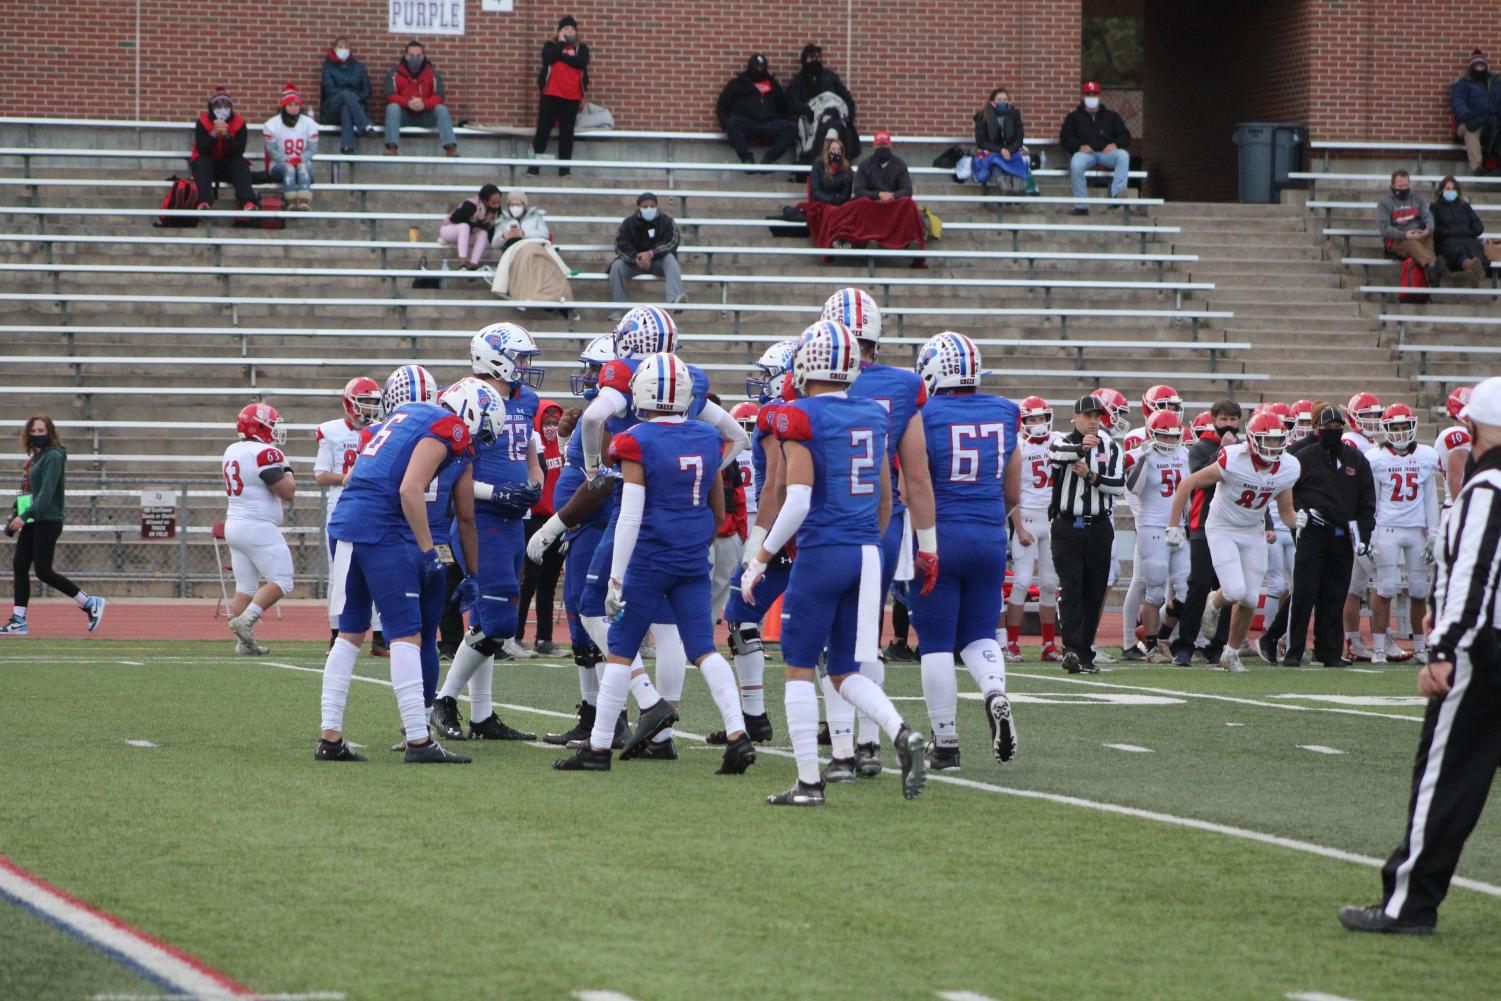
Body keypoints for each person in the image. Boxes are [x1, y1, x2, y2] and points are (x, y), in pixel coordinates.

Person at [740, 320, 929, 807]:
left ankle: (808, 783)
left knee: (800, 665)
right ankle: (901, 731)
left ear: (807, 364)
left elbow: (797, 499)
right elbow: (888, 497)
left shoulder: (799, 415)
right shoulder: (872, 412)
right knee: (846, 669)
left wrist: (760, 557)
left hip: (825, 549)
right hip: (869, 549)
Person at [1339, 375, 1501, 935]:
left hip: (1484, 650)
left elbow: (1476, 572)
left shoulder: (1488, 490)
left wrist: (1443, 646)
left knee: (1445, 782)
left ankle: (1409, 905)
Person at [553, 353, 757, 775]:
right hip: (691, 556)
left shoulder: (636, 440)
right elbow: (716, 507)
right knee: (703, 648)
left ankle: (596, 749)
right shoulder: (705, 437)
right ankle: (738, 734)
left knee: (621, 651)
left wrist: (615, 577)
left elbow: (629, 515)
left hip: (650, 556)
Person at [315, 377, 497, 765]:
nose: (472, 442)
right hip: (384, 528)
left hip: (348, 522)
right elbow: (409, 490)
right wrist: (431, 553)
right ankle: (418, 739)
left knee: (349, 633)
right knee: (406, 635)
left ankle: (330, 737)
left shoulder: (404, 416)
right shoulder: (448, 426)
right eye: (477, 431)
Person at [830, 287, 938, 780]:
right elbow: (916, 476)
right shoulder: (901, 385)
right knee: (866, 636)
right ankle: (871, 743)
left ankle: (842, 749)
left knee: (826, 641)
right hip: (883, 523)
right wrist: (929, 547)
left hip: (826, 523)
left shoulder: (807, 382)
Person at [910, 332, 1021, 771]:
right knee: (978, 634)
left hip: (939, 535)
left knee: (935, 643)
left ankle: (947, 743)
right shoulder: (1006, 412)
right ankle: (994, 690)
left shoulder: (923, 414)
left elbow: (913, 484)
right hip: (989, 535)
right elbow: (1012, 489)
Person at [431, 324, 546, 737]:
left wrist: (535, 485)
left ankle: (481, 715)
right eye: (522, 357)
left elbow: (529, 452)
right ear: (496, 356)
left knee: (486, 615)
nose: (528, 366)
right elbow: (447, 466)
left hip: (512, 518)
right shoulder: (460, 397)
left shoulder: (526, 399)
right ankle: (445, 701)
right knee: (499, 621)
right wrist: (493, 492)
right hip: (478, 518)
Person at [707, 338, 801, 748]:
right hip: (823, 531)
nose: (763, 383)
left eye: (768, 374)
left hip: (785, 534)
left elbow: (777, 487)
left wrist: (759, 543)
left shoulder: (776, 415)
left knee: (741, 618)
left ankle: (755, 718)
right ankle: (846, 726)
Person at [1167, 412, 1299, 673]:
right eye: (1266, 441)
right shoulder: (1232, 458)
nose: (1273, 448)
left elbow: (1286, 512)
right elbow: (1188, 483)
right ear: (1252, 440)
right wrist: (1173, 525)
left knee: (1250, 598)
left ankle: (1231, 653)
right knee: (1235, 591)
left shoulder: (1289, 466)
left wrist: (1301, 520)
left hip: (1253, 530)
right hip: (1222, 527)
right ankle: (1213, 602)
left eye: (1277, 442)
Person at [1258, 402, 1377, 667]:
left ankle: (1328, 651)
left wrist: (1364, 536)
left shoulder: (1355, 459)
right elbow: (1286, 493)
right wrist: (1301, 513)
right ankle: (1293, 649)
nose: (1333, 431)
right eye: (1327, 427)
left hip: (1342, 535)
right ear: (1315, 429)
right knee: (1304, 592)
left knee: (1334, 594)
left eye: (1337, 426)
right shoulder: (1302, 457)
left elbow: (1366, 501)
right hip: (1311, 533)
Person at [0, 416, 105, 637]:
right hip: (32, 519)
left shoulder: (54, 457)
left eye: (41, 430)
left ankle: (89, 602)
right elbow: (26, 489)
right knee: (19, 565)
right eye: (34, 430)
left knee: (43, 571)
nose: (37, 434)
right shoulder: (35, 458)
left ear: (50, 432)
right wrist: (15, 515)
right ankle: (18, 619)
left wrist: (25, 515)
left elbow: (46, 495)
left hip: (47, 520)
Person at [1047, 394, 1125, 674]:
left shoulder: (1111, 447)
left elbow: (1118, 486)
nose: (1093, 421)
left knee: (1093, 593)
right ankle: (1071, 648)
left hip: (1099, 527)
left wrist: (1092, 476)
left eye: (1097, 417)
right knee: (1071, 589)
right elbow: (1057, 455)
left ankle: (1084, 651)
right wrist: (1081, 448)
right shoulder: (1061, 440)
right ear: (1075, 418)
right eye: (1088, 416)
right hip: (1067, 525)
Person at [313, 376, 390, 655]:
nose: (371, 408)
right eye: (365, 402)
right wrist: (349, 478)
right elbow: (321, 475)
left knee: (381, 570)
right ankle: (337, 635)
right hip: (342, 505)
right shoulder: (332, 432)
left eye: (374, 402)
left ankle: (382, 638)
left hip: (377, 505)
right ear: (350, 403)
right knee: (340, 575)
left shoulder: (385, 429)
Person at [1362, 404, 1441, 664]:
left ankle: (1420, 648)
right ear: (1385, 429)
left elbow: (1430, 498)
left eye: (1403, 426)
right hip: (1387, 527)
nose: (1399, 432)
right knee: (1385, 587)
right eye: (1393, 427)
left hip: (1416, 528)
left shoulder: (1426, 456)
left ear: (1412, 426)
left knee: (1419, 590)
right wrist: (1370, 535)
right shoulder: (1376, 458)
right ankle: (1380, 648)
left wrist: (1434, 533)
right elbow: (1371, 500)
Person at [221, 403, 295, 656]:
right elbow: (288, 492)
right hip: (257, 526)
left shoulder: (232, 449)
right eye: (272, 425)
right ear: (261, 426)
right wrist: (288, 469)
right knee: (283, 580)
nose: (276, 431)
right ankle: (246, 621)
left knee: (246, 587)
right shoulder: (265, 452)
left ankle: (243, 644)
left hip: (234, 524)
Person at [1171, 399, 1242, 666]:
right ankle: (1185, 645)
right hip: (1202, 524)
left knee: (1227, 588)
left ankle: (1218, 645)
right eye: (1223, 419)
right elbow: (1198, 477)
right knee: (1198, 585)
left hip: (1232, 524)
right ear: (1214, 420)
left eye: (1233, 420)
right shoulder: (1200, 448)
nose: (1228, 425)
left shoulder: (1245, 449)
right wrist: (1222, 452)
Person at [1125, 409, 1191, 663]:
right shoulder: (1143, 455)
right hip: (1151, 527)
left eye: (1174, 437)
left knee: (1186, 589)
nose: (1170, 442)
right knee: (1154, 591)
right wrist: (1143, 459)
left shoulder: (1185, 454)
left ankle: (1162, 637)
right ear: (1152, 434)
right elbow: (1133, 488)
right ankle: (1153, 646)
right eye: (1164, 436)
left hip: (1179, 528)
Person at [1004, 396, 1061, 662]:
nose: (1038, 424)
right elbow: (1009, 490)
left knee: (1050, 583)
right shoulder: (1016, 446)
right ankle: (1012, 643)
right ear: (1022, 421)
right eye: (1032, 419)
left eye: (1041, 418)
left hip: (1051, 519)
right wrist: (1017, 526)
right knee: (1022, 581)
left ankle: (1048, 644)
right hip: (1026, 517)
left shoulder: (1058, 441)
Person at [801, 133, 926, 253]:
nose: (882, 147)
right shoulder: (865, 165)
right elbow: (859, 190)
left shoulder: (900, 165)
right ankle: (860, 239)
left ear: (890, 145)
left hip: (893, 203)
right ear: (874, 146)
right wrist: (878, 195)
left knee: (907, 203)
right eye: (880, 144)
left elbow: (907, 189)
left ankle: (910, 241)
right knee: (861, 203)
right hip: (871, 203)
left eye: (885, 144)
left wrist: (892, 196)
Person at [515, 399, 566, 656]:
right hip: (534, 519)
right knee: (528, 580)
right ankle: (516, 636)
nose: (551, 427)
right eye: (547, 422)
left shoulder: (560, 445)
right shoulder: (533, 445)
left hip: (557, 520)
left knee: (548, 582)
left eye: (555, 423)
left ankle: (544, 639)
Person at [491, 188, 573, 306]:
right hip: (514, 253)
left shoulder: (536, 217)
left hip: (536, 249)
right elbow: (494, 244)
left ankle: (554, 295)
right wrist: (504, 236)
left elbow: (544, 234)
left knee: (536, 258)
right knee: (527, 255)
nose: (515, 207)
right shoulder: (503, 221)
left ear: (524, 204)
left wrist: (523, 234)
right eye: (512, 205)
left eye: (518, 204)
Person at [530, 16, 590, 177]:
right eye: (566, 29)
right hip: (551, 95)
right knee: (543, 130)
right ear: (559, 32)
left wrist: (563, 56)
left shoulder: (581, 48)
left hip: (572, 97)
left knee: (567, 133)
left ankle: (564, 169)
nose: (569, 31)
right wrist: (563, 45)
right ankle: (533, 168)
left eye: (572, 29)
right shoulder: (551, 46)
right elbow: (548, 58)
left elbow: (581, 62)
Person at [1059, 81, 1130, 215]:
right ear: (1082, 96)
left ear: (1099, 96)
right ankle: (1081, 206)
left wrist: (1116, 144)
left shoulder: (1112, 116)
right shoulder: (1073, 117)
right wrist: (1079, 146)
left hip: (1106, 153)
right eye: (1088, 94)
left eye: (1094, 94)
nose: (1091, 97)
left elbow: (1125, 136)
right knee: (1075, 163)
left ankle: (1117, 197)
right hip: (1085, 154)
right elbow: (1065, 137)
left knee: (1123, 156)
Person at [715, 53, 797, 168]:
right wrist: (726, 125)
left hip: (769, 124)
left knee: (792, 127)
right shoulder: (737, 84)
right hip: (747, 122)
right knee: (732, 123)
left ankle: (768, 160)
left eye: (761, 67)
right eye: (756, 67)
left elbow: (783, 107)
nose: (759, 70)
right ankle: (747, 159)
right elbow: (722, 106)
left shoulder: (773, 85)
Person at [608, 192, 684, 316]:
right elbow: (620, 244)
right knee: (617, 266)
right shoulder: (629, 223)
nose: (649, 209)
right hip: (634, 263)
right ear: (639, 207)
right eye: (645, 206)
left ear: (657, 206)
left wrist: (651, 253)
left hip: (658, 262)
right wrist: (636, 258)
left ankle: (675, 301)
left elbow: (672, 241)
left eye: (652, 206)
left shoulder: (666, 221)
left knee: (670, 259)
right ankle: (618, 309)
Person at [785, 43, 858, 164]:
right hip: (811, 120)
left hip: (833, 118)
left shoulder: (830, 77)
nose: (815, 60)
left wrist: (848, 115)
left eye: (818, 57)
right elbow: (792, 102)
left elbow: (846, 99)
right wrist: (807, 111)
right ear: (805, 59)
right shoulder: (798, 80)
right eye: (811, 58)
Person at [384, 40, 457, 157]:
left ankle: (451, 148)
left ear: (423, 56)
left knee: (441, 109)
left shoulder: (433, 74)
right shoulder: (394, 74)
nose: (415, 58)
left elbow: (439, 96)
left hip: (426, 116)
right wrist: (407, 103)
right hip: (403, 116)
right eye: (412, 55)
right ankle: (391, 147)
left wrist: (424, 104)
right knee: (392, 107)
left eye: (418, 56)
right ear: (405, 56)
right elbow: (389, 95)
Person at [190, 88, 258, 211]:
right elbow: (202, 149)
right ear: (212, 107)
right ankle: (203, 202)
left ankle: (247, 202)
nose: (222, 109)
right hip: (208, 165)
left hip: (228, 165)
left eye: (226, 105)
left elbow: (238, 150)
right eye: (218, 105)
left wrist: (227, 136)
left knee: (240, 162)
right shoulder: (203, 121)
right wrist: (213, 134)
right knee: (203, 161)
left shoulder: (239, 123)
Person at [262, 84, 319, 210]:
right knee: (289, 168)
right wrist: (287, 159)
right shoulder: (272, 124)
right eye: (290, 105)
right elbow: (271, 150)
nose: (293, 108)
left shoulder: (309, 123)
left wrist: (300, 158)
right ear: (284, 106)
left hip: (302, 163)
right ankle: (291, 202)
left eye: (296, 105)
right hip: (278, 165)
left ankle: (304, 202)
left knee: (303, 166)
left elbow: (312, 149)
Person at [1378, 170, 1438, 285]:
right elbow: (1384, 228)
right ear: (1393, 185)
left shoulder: (1417, 198)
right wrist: (1404, 235)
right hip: (1398, 238)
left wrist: (1427, 230)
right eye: (1400, 186)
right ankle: (1432, 266)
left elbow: (1428, 216)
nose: (1404, 188)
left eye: (1406, 185)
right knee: (1412, 243)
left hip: (1418, 233)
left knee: (1428, 237)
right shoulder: (1385, 203)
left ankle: (1432, 270)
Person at [970, 87, 1034, 194]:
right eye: (999, 100)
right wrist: (1001, 150)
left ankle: (1019, 190)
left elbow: (1019, 137)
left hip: (1011, 150)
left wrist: (1010, 150)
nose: (1002, 102)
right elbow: (981, 141)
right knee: (995, 162)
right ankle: (1006, 190)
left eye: (1005, 99)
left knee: (1019, 159)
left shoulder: (1014, 114)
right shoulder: (983, 116)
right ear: (992, 102)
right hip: (992, 150)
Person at [1450, 49, 1501, 175]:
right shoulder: (1462, 84)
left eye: (1482, 65)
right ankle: (1477, 168)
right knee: (1470, 130)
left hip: (1491, 122)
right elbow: (1457, 102)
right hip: (1470, 122)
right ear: (1471, 67)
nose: (1479, 67)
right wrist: (1468, 117)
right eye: (1476, 65)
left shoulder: (1495, 83)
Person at [1431, 176, 1488, 286]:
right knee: (1456, 250)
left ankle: (1472, 270)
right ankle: (1472, 268)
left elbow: (1478, 226)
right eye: (1448, 189)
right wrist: (1446, 232)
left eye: (1453, 189)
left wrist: (1467, 232)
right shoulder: (1435, 207)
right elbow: (1433, 228)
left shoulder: (1465, 206)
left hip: (1467, 239)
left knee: (1471, 248)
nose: (1450, 191)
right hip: (1446, 241)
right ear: (1441, 191)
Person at [321, 38, 375, 154]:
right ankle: (364, 124)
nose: (344, 49)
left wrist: (354, 97)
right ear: (335, 49)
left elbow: (367, 91)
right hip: (333, 106)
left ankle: (347, 147)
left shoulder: (359, 67)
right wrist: (348, 94)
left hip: (353, 107)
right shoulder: (328, 68)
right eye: (341, 47)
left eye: (346, 47)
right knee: (345, 95)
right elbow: (330, 90)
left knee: (346, 107)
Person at [440, 184, 502, 271]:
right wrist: (475, 224)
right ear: (485, 200)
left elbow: (489, 230)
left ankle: (473, 264)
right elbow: (454, 219)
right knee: (465, 226)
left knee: (483, 233)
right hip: (450, 229)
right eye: (494, 203)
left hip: (468, 234)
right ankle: (462, 262)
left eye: (498, 202)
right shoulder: (470, 205)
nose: (497, 206)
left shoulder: (496, 211)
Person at [1436, 386, 1474, 508]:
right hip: (1458, 505)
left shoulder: (1460, 433)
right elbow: (1455, 481)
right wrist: (1463, 510)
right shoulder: (1459, 435)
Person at [807, 136, 854, 207]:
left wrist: (837, 201)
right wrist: (830, 200)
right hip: (821, 203)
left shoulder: (847, 169)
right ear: (827, 150)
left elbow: (846, 193)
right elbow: (815, 191)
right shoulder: (818, 165)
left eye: (839, 150)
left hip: (840, 204)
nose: (836, 152)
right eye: (833, 149)